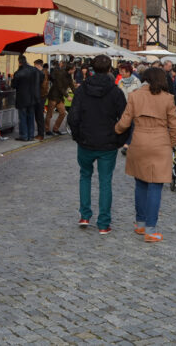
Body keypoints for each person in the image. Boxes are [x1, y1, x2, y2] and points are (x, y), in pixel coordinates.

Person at [114, 67, 176, 242]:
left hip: (139, 141)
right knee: (155, 186)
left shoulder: (135, 96)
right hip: (160, 143)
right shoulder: (168, 99)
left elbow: (124, 122)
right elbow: (174, 126)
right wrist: (171, 143)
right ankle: (151, 230)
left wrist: (116, 130)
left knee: (141, 183)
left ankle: (140, 223)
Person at [67, 55, 128, 235]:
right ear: (110, 69)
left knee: (85, 176)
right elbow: (124, 119)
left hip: (86, 140)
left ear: (91, 69)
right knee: (105, 181)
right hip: (107, 143)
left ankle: (85, 215)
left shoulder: (82, 90)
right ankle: (103, 223)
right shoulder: (115, 91)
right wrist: (119, 139)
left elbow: (73, 117)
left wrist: (78, 136)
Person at [12, 55, 40, 141]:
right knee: (31, 117)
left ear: (19, 62)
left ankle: (24, 135)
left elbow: (13, 85)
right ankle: (31, 135)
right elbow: (40, 78)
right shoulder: (34, 70)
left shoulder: (18, 73)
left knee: (23, 117)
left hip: (22, 98)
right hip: (32, 97)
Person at [44, 60, 72, 135]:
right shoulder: (59, 73)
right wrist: (67, 96)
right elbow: (60, 87)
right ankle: (47, 130)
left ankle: (55, 128)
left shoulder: (68, 76)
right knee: (49, 114)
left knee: (62, 113)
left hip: (59, 97)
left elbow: (71, 85)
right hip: (53, 95)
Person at [34, 59, 49, 140]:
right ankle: (40, 133)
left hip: (40, 96)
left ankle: (40, 134)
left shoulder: (42, 73)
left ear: (38, 65)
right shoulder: (45, 72)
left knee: (39, 115)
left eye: (35, 66)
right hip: (43, 96)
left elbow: (43, 86)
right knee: (39, 115)